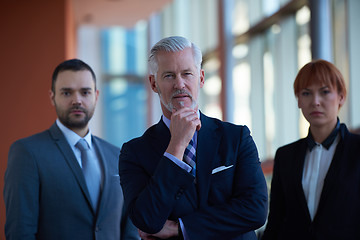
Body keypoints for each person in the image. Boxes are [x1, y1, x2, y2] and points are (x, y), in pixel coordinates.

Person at [118, 36, 268, 240]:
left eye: (187, 73)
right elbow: (147, 220)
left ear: (201, 78)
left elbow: (255, 210)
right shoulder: (134, 152)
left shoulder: (236, 137)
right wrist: (176, 145)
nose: (179, 84)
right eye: (169, 76)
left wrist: (180, 227)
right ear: (154, 83)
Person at [4, 59, 139, 240]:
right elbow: (20, 232)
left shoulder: (117, 156)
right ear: (52, 97)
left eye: (85, 92)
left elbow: (130, 231)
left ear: (96, 96)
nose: (77, 100)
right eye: (67, 93)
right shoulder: (27, 153)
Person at [261, 59, 360, 240]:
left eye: (325, 92)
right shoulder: (285, 156)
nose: (315, 102)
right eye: (306, 93)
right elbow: (276, 221)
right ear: (298, 100)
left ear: (341, 96)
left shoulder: (357, 150)